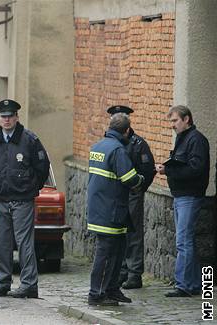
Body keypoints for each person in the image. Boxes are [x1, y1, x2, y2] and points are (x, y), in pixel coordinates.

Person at [0, 99, 50, 299]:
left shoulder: (29, 139)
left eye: (10, 116)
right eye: (3, 116)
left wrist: (31, 187)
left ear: (16, 117)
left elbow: (42, 167)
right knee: (2, 242)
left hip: (22, 199)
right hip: (0, 198)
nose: (6, 120)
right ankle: (2, 282)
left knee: (24, 242)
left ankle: (29, 285)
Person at [87, 112, 144, 306]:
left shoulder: (98, 146)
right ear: (127, 131)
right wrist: (141, 180)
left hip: (102, 208)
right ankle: (96, 294)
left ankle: (111, 290)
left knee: (117, 252)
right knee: (106, 255)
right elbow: (129, 178)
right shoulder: (118, 150)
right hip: (110, 210)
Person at [155, 105, 209, 297]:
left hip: (189, 196)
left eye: (175, 120)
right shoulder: (183, 138)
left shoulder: (196, 140)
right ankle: (193, 284)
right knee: (187, 241)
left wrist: (168, 170)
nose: (172, 125)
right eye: (171, 121)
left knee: (183, 242)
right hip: (181, 195)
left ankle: (184, 285)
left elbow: (196, 169)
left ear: (187, 119)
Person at [106, 105, 156, 289]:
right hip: (114, 195)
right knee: (117, 234)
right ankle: (120, 272)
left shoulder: (137, 143)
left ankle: (134, 274)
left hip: (131, 194)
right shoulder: (109, 143)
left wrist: (139, 189)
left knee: (133, 234)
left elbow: (148, 169)